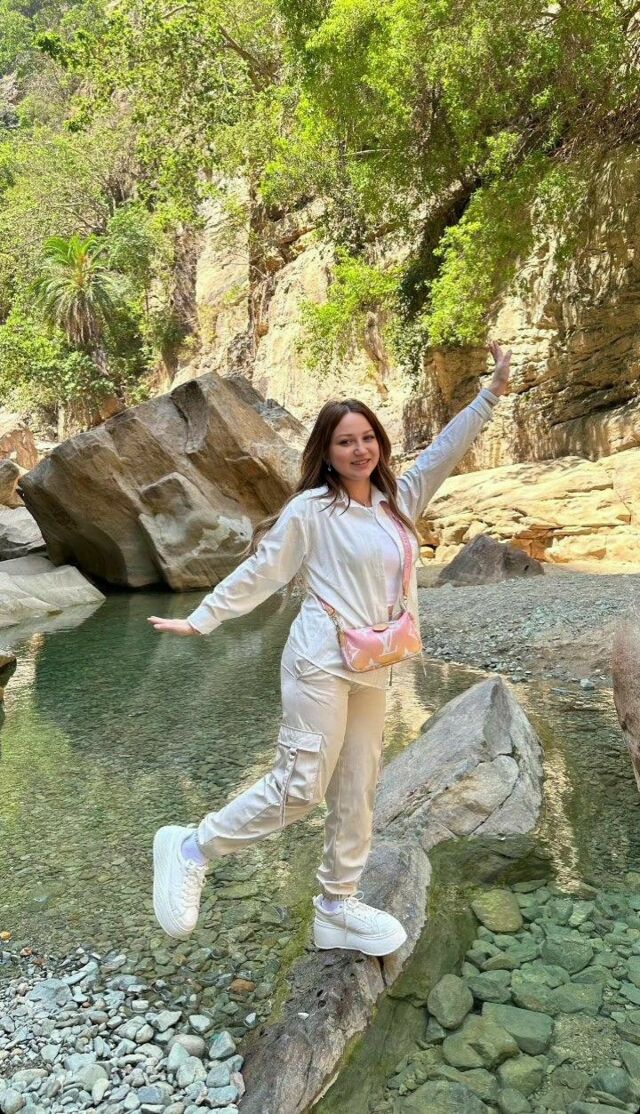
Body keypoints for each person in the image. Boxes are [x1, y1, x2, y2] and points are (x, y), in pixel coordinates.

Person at [148, 341, 511, 956]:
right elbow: (263, 570)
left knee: (358, 786)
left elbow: (446, 450)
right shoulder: (312, 511)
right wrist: (203, 619)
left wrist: (491, 393)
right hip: (319, 660)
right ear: (327, 451)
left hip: (375, 662)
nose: (359, 449)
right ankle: (190, 846)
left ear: (380, 444)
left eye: (367, 438)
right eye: (345, 441)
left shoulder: (399, 502)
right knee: (301, 787)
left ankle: (337, 906)